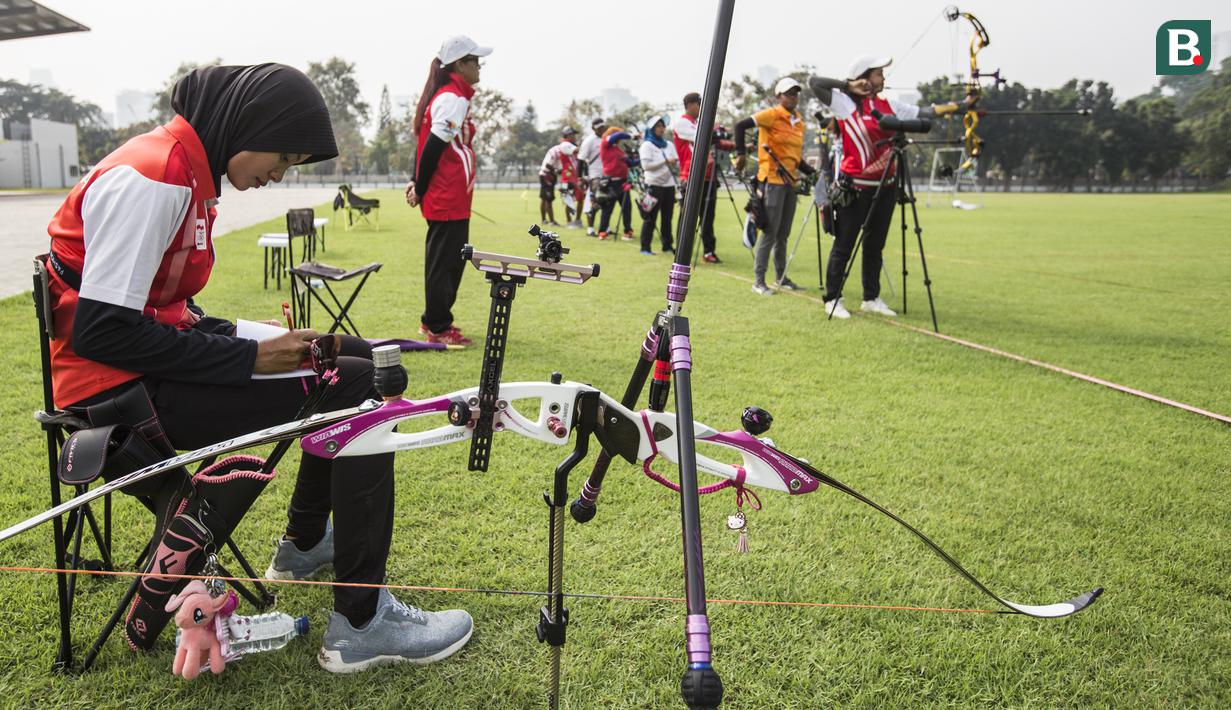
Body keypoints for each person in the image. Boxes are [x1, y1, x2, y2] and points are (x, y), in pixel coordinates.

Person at [44, 63, 473, 673]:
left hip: (134, 371)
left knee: (341, 353)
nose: (279, 175)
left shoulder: (184, 169)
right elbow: (102, 329)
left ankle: (302, 545)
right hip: (115, 396)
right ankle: (361, 620)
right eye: (283, 156)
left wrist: (259, 339)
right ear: (246, 126)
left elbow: (161, 313)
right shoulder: (155, 176)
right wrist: (248, 356)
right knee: (354, 382)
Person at [809, 56, 969, 318]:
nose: (883, 78)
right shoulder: (845, 104)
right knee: (845, 244)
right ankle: (833, 298)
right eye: (878, 74)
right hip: (855, 188)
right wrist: (849, 86)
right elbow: (815, 83)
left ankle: (870, 298)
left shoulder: (888, 105)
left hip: (885, 187)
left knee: (875, 245)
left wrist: (962, 105)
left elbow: (925, 113)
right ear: (864, 77)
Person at [405, 35, 492, 346]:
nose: (480, 67)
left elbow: (428, 143)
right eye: (475, 61)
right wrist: (421, 186)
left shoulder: (454, 95)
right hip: (445, 197)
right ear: (460, 64)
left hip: (451, 196)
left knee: (449, 262)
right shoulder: (452, 97)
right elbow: (431, 147)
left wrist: (418, 182)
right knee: (444, 265)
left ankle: (436, 322)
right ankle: (438, 326)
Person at [734, 77, 817, 295]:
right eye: (789, 93)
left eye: (796, 93)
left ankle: (781, 277)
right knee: (770, 232)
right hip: (771, 181)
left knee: (783, 234)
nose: (793, 97)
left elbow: (795, 158)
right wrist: (741, 154)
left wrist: (814, 173)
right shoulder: (771, 114)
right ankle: (759, 281)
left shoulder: (798, 121)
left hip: (790, 182)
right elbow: (740, 126)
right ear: (779, 96)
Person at [672, 91, 735, 263]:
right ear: (691, 104)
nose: (701, 108)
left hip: (709, 176)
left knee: (708, 217)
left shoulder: (699, 123)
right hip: (690, 175)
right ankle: (681, 250)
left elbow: (715, 139)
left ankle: (709, 251)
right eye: (699, 104)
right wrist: (717, 131)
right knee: (687, 216)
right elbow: (703, 136)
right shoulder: (682, 123)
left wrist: (734, 145)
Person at [637, 114, 680, 255]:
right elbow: (646, 166)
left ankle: (667, 246)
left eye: (663, 126)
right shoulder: (647, 145)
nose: (662, 129)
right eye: (659, 126)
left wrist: (674, 163)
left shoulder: (669, 145)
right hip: (653, 185)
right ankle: (645, 247)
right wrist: (665, 161)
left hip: (669, 185)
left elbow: (677, 162)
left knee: (667, 218)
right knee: (650, 217)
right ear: (652, 129)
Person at [597, 125, 636, 241]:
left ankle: (627, 231)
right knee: (608, 208)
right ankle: (602, 232)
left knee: (627, 207)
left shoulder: (618, 150)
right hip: (610, 183)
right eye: (617, 137)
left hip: (623, 183)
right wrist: (632, 136)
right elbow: (617, 135)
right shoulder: (605, 144)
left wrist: (641, 160)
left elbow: (630, 163)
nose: (619, 139)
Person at [539, 126, 579, 227]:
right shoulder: (560, 148)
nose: (574, 137)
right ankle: (551, 221)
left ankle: (544, 220)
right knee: (548, 198)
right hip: (547, 175)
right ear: (568, 136)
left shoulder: (560, 148)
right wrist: (555, 172)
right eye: (573, 135)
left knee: (544, 198)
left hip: (547, 175)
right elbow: (548, 164)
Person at [577, 117, 607, 236]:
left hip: (606, 175)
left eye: (603, 127)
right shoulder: (589, 141)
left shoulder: (606, 139)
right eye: (599, 128)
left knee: (605, 202)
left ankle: (605, 227)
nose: (601, 129)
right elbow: (581, 160)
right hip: (595, 175)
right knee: (594, 202)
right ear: (594, 129)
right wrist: (580, 178)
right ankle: (590, 228)